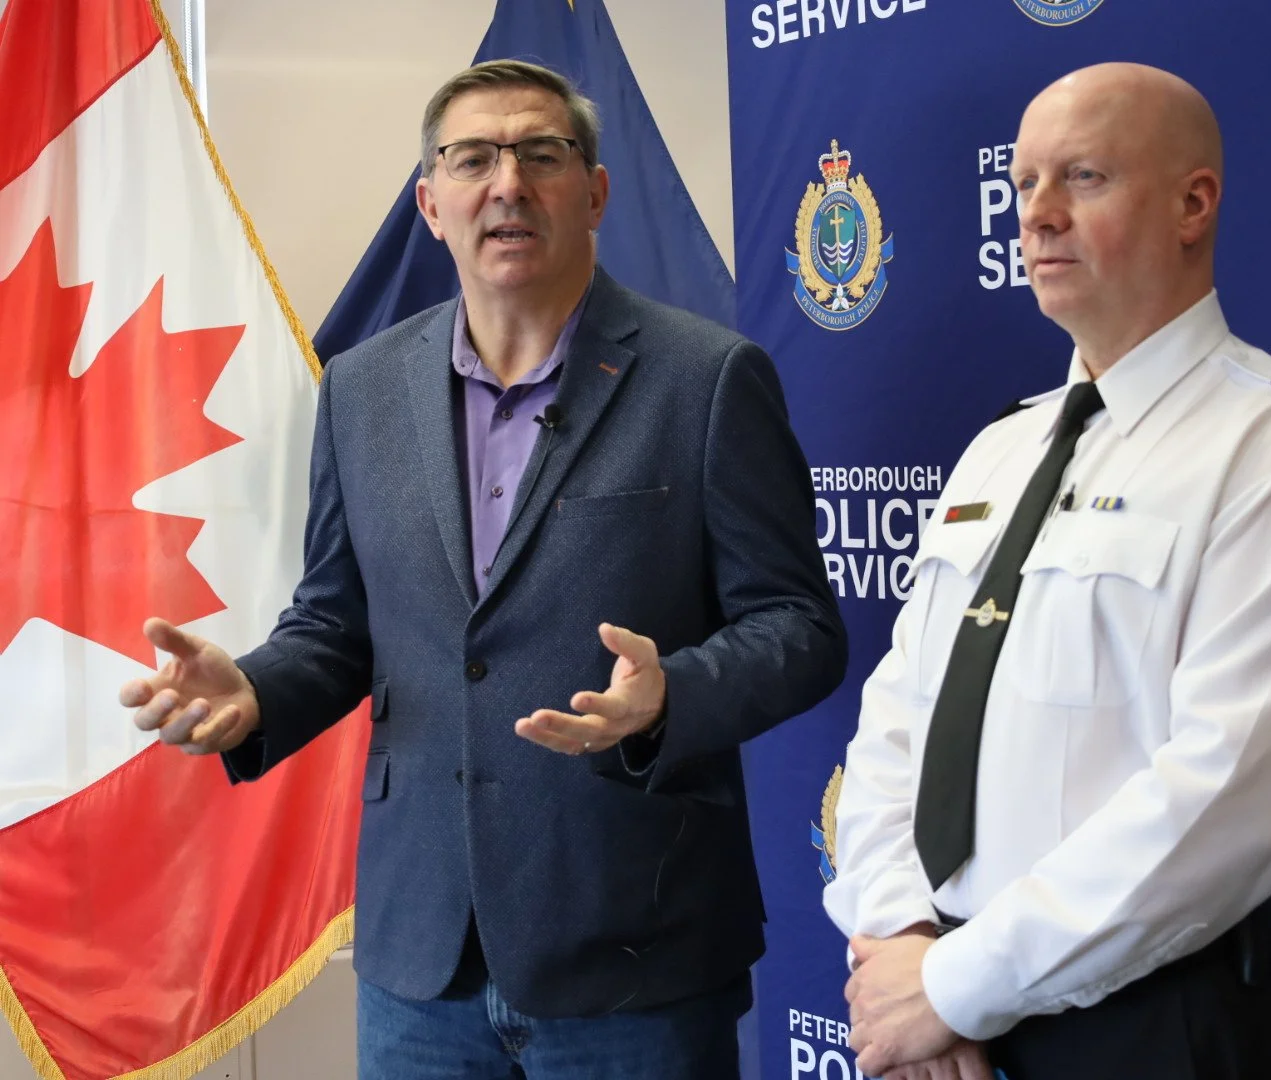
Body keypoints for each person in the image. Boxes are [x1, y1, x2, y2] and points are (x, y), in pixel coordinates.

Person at [118, 60, 846, 1079]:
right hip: (422, 958)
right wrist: (252, 690)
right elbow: (335, 623)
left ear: (594, 192)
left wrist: (670, 696)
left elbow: (799, 628)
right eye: (472, 159)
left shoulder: (708, 378)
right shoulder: (361, 390)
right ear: (431, 204)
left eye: (541, 154)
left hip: (633, 949)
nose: (508, 183)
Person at [824, 62, 1271, 1080]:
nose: (1037, 214)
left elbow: (1231, 799)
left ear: (1193, 205)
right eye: (1023, 183)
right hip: (945, 1016)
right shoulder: (1002, 449)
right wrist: (904, 939)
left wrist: (957, 988)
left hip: (1158, 1026)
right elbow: (901, 716)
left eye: (1083, 177)